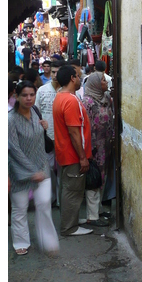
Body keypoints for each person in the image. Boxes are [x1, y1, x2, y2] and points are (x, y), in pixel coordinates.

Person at [8, 80, 60, 256]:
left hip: (41, 166)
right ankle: (21, 241)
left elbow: (40, 141)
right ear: (16, 96)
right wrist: (31, 171)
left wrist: (44, 127)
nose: (29, 98)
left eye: (32, 95)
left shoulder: (36, 112)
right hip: (19, 171)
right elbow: (13, 149)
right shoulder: (10, 120)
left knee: (45, 203)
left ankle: (48, 241)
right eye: (24, 95)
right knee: (20, 208)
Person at [52, 65, 94, 237]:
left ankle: (71, 220)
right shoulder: (69, 100)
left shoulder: (61, 97)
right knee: (72, 191)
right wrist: (83, 157)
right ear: (72, 78)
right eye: (77, 76)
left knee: (69, 188)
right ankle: (69, 227)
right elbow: (74, 132)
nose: (79, 79)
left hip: (65, 152)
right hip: (72, 155)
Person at [80, 72, 114, 226]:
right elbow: (83, 127)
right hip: (93, 147)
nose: (105, 81)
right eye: (102, 80)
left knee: (102, 178)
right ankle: (92, 216)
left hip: (105, 146)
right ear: (94, 84)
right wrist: (88, 149)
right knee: (93, 179)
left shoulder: (106, 98)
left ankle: (98, 210)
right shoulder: (87, 102)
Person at [35, 59, 64, 206]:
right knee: (48, 171)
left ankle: (60, 200)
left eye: (58, 72)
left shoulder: (67, 92)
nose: (55, 75)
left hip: (63, 138)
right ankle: (51, 198)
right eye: (53, 72)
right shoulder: (42, 91)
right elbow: (37, 114)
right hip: (46, 138)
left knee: (61, 171)